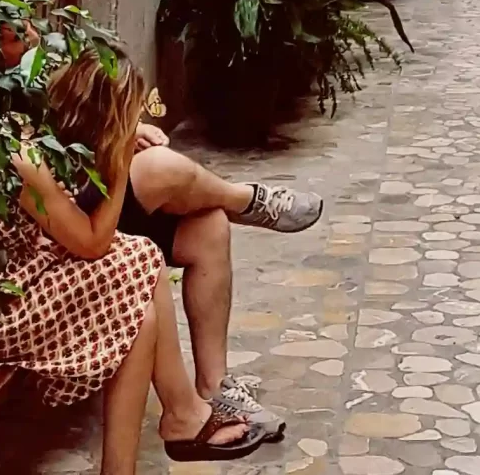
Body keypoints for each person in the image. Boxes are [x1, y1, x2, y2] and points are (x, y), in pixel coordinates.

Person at [0, 50, 273, 475]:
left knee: (141, 311)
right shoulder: (21, 153)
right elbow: (92, 242)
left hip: (17, 276)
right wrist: (116, 160)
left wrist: (122, 143)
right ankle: (180, 420)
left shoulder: (38, 137)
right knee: (139, 258)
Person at [48, 52, 320, 438]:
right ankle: (245, 200)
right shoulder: (7, 96)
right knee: (158, 166)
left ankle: (215, 388)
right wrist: (120, 144)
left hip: (94, 207)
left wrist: (129, 130)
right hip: (69, 235)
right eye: (21, 31)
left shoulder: (41, 60)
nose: (32, 34)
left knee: (209, 227)